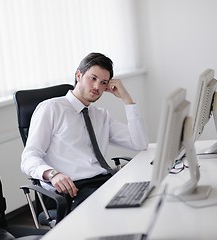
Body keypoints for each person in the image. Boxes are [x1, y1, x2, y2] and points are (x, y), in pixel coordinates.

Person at [21, 52, 149, 210]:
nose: (97, 87)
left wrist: (126, 99)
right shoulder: (51, 108)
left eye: (103, 83)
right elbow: (29, 158)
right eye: (93, 78)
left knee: (148, 197)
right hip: (74, 190)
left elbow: (140, 143)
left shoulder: (101, 115)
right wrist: (52, 174)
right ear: (78, 75)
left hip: (105, 181)